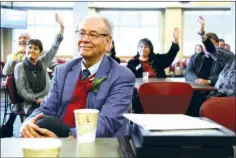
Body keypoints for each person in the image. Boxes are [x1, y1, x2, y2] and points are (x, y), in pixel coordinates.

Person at [20, 15, 135, 138]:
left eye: (93, 34)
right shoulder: (62, 71)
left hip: (98, 143)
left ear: (108, 42)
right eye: (81, 33)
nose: (84, 39)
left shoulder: (122, 76)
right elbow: (47, 108)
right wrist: (28, 123)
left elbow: (107, 122)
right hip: (58, 137)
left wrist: (69, 137)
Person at [0, 13, 64, 138]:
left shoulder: (41, 59)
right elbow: (6, 73)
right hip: (26, 99)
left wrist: (61, 29)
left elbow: (54, 49)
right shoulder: (15, 59)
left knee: (61, 116)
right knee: (44, 121)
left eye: (35, 48)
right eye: (21, 38)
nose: (23, 40)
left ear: (39, 51)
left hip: (46, 98)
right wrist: (16, 54)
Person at [186, 16, 235, 117]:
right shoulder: (230, 57)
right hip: (213, 96)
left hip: (226, 101)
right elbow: (212, 50)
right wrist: (203, 34)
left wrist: (208, 82)